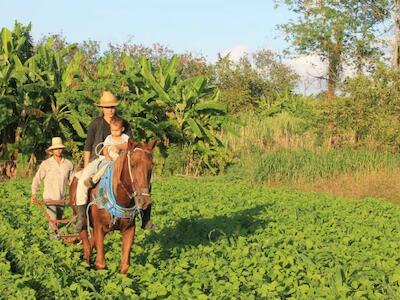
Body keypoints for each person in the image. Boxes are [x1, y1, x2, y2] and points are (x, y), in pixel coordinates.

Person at [73, 91, 157, 233]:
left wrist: (118, 146)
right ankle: (82, 218)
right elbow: (88, 146)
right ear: (102, 108)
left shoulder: (124, 123)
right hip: (99, 159)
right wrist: (86, 165)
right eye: (107, 107)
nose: (110, 110)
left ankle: (146, 219)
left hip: (122, 160)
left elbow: (132, 144)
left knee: (144, 182)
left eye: (112, 107)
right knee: (82, 181)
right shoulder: (95, 123)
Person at [31, 137, 74, 238]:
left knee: (58, 221)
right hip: (49, 198)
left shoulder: (68, 164)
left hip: (61, 199)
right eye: (56, 149)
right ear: (52, 151)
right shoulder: (46, 164)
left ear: (62, 149)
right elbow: (37, 179)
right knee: (53, 220)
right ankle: (54, 240)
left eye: (59, 148)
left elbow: (73, 181)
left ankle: (57, 238)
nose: (58, 150)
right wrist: (34, 192)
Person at [83, 116, 129, 188]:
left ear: (122, 129)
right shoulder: (109, 138)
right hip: (111, 159)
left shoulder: (125, 137)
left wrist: (118, 146)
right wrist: (107, 156)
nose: (114, 133)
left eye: (116, 130)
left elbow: (128, 145)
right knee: (104, 167)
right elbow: (105, 148)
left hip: (122, 159)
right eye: (112, 130)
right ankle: (94, 179)